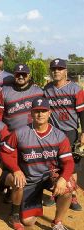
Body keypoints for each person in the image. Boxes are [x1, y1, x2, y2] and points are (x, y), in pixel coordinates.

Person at [0, 97, 75, 229]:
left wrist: (63, 179)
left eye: (43, 111)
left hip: (49, 176)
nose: (40, 114)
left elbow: (68, 162)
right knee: (28, 221)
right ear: (31, 113)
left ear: (49, 113)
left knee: (68, 187)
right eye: (36, 111)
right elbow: (5, 152)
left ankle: (57, 222)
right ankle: (18, 211)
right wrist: (16, 169)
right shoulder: (20, 132)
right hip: (29, 179)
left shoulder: (59, 136)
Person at [43, 58, 84, 210]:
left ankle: (72, 196)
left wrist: (83, 133)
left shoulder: (75, 89)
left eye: (59, 69)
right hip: (53, 133)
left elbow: (82, 112)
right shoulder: (47, 89)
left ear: (65, 71)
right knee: (54, 165)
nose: (56, 71)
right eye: (54, 69)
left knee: (71, 165)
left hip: (70, 132)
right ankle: (56, 193)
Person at [0, 64, 44, 131]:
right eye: (18, 74)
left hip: (34, 134)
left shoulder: (38, 92)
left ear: (29, 75)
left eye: (23, 74)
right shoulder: (4, 92)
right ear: (14, 75)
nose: (20, 77)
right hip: (12, 134)